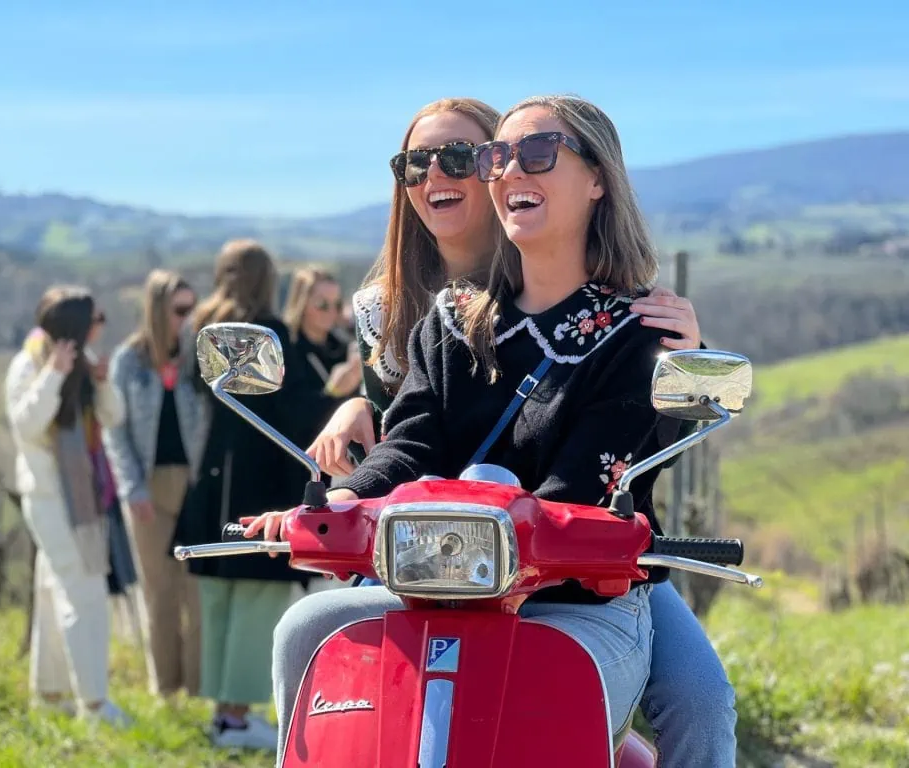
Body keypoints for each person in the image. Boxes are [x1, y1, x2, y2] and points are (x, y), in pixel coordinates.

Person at [253, 95, 734, 765]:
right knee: (304, 627)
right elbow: (411, 442)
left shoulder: (639, 336)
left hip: (576, 600)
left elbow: (595, 477)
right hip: (443, 587)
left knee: (696, 699)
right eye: (497, 157)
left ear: (597, 179)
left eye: (538, 154)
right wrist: (339, 502)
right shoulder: (447, 323)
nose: (511, 171)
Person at [172, 240, 319, 751]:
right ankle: (236, 719)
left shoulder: (203, 332)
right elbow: (292, 410)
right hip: (260, 484)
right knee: (258, 604)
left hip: (212, 482)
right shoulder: (268, 335)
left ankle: (222, 713)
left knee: (220, 605)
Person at [3, 285, 130, 726]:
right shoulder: (30, 365)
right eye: (97, 319)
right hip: (48, 497)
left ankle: (50, 693)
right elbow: (26, 426)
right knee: (84, 593)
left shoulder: (84, 368)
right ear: (75, 326)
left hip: (81, 498)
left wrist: (101, 381)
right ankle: (94, 705)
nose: (102, 326)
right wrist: (53, 375)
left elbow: (113, 418)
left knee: (53, 592)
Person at [103, 269, 203, 698]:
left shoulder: (200, 356)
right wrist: (132, 489)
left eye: (192, 308)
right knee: (159, 594)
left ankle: (202, 688)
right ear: (158, 310)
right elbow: (116, 433)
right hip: (148, 486)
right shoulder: (128, 361)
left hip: (196, 484)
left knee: (197, 594)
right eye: (181, 309)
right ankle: (165, 690)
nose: (188, 317)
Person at [279, 267, 363, 461]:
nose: (331, 312)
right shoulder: (287, 350)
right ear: (301, 303)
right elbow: (292, 416)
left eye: (337, 305)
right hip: (298, 462)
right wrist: (334, 391)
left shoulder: (342, 347)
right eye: (322, 304)